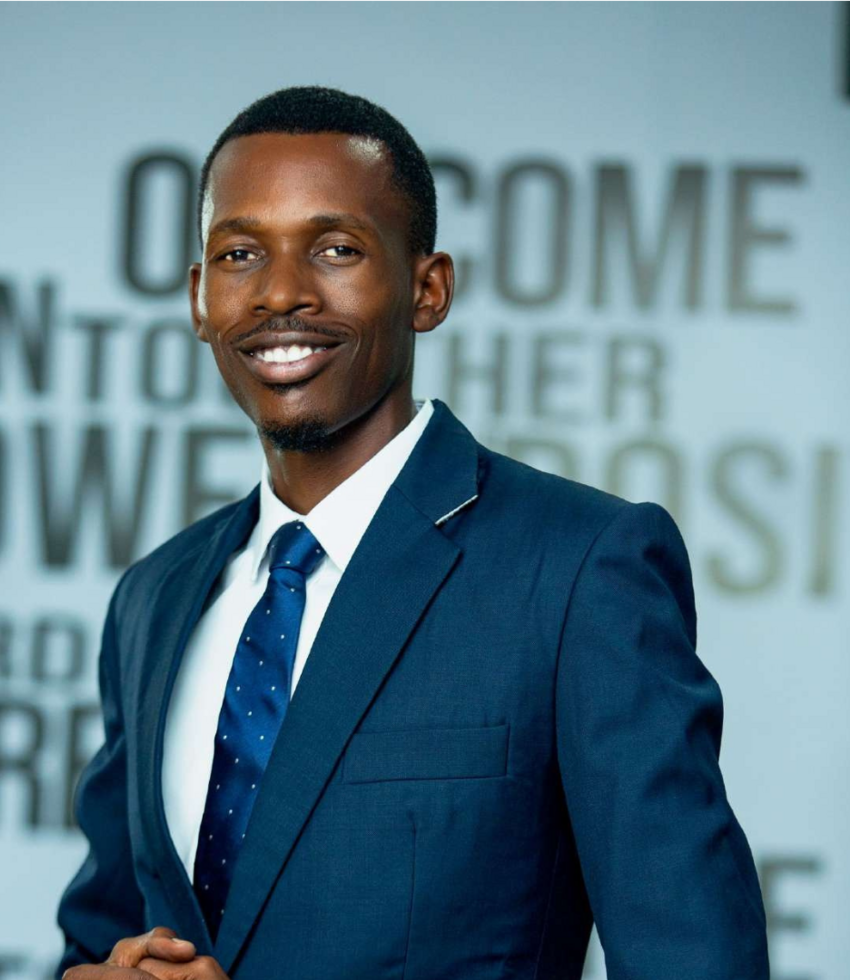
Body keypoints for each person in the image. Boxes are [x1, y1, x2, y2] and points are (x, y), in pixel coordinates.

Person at [55, 86, 769, 980]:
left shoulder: (580, 569)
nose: (280, 292)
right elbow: (99, 937)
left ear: (428, 290)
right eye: (241, 254)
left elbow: (695, 960)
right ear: (201, 299)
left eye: (336, 248)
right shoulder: (153, 599)